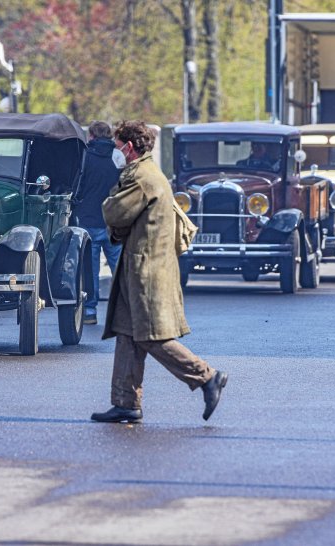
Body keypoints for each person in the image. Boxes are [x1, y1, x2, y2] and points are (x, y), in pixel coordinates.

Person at [90, 120, 227, 424]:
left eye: (117, 145)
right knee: (127, 333)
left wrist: (110, 205)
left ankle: (207, 377)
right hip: (139, 266)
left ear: (129, 146)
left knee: (151, 335)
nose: (115, 151)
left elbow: (114, 212)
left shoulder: (141, 177)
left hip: (146, 271)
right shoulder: (145, 173)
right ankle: (126, 403)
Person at [72, 121, 121, 325]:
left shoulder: (83, 157)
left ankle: (90, 311)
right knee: (118, 267)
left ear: (91, 136)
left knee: (89, 270)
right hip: (113, 221)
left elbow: (78, 187)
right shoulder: (118, 157)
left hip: (88, 220)